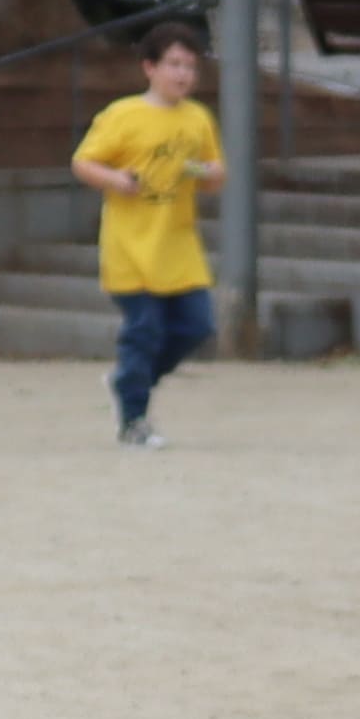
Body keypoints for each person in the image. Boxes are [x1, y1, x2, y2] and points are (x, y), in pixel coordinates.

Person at [74, 24, 224, 445]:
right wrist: (116, 179)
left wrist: (207, 173)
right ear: (150, 68)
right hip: (130, 248)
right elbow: (84, 162)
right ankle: (134, 420)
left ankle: (129, 382)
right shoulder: (123, 115)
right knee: (144, 331)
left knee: (196, 327)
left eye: (190, 67)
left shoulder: (198, 119)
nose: (183, 75)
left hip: (179, 247)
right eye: (174, 65)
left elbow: (214, 173)